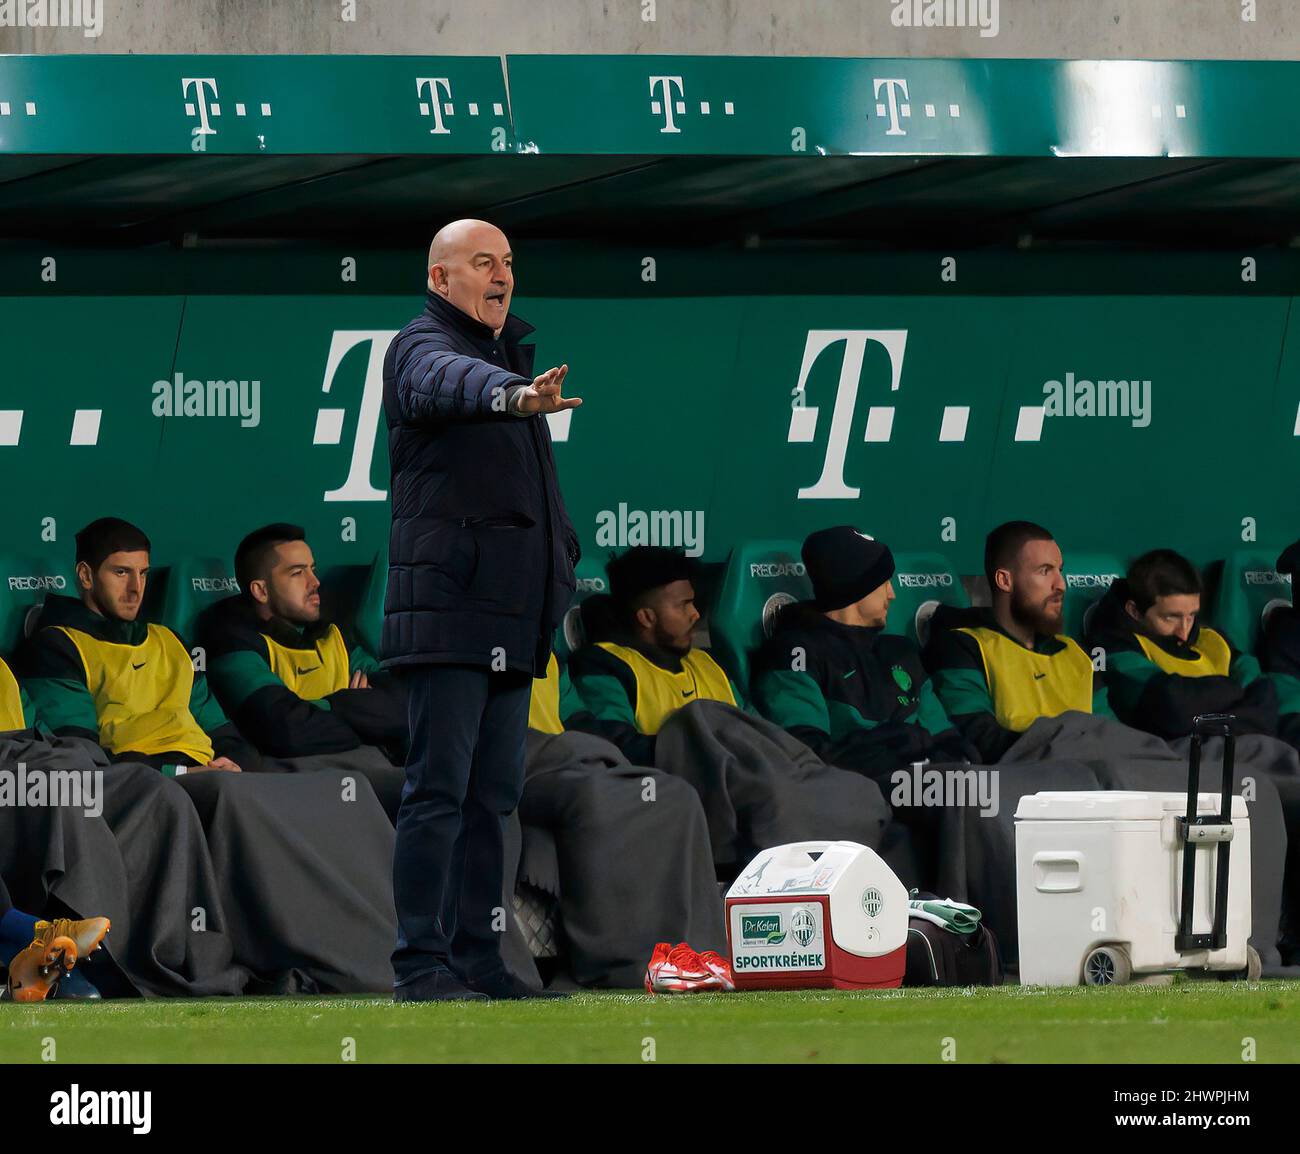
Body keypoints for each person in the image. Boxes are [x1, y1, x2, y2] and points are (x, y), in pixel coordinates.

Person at [20, 517, 400, 994]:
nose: (137, 587)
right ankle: (320, 957)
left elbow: (225, 731)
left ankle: (387, 947)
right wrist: (186, 770)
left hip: (210, 771)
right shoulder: (56, 646)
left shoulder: (170, 642)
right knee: (232, 794)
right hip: (150, 781)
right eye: (121, 573)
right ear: (84, 577)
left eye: (143, 573)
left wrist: (234, 762)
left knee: (326, 791)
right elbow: (81, 755)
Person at [382, 218, 581, 1002]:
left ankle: (479, 959)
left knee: (493, 798)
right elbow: (444, 379)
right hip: (449, 610)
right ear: (440, 279)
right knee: (437, 792)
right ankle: (419, 966)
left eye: (508, 263)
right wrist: (511, 395)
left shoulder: (509, 356)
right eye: (481, 263)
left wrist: (558, 560)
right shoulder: (420, 345)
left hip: (511, 614)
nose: (501, 276)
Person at [569, 546, 897, 880]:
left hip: (755, 774)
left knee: (853, 788)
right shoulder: (606, 665)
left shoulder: (708, 663)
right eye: (683, 605)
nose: (696, 615)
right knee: (770, 790)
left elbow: (759, 734)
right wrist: (701, 745)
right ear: (646, 617)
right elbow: (615, 747)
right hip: (692, 785)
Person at [518, 649, 725, 987]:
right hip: (515, 767)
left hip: (567, 759)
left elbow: (580, 720)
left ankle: (687, 953)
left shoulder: (547, 655)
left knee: (674, 794)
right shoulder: (472, 646)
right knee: (595, 797)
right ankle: (620, 962)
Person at [201, 523, 408, 820]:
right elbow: (284, 730)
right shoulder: (232, 642)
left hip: (359, 766)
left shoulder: (330, 634)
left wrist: (324, 709)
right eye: (297, 573)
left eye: (313, 568)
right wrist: (353, 704)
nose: (315, 582)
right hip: (293, 779)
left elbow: (406, 702)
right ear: (260, 590)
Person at [752, 526, 974, 778]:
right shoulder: (794, 654)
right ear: (855, 587)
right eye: (884, 583)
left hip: (926, 793)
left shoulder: (900, 651)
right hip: (852, 798)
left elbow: (946, 737)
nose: (893, 594)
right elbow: (805, 754)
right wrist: (897, 749)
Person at [925, 520, 1114, 763]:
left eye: (1060, 570)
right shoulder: (962, 646)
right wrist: (1068, 749)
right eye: (1045, 571)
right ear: (1005, 580)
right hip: (1019, 787)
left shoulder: (1075, 653)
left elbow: (1111, 736)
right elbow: (979, 739)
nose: (1061, 585)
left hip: (1097, 785)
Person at [1085, 548, 1279, 739]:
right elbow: (1174, 706)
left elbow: (1264, 697)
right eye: (1171, 617)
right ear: (1135, 611)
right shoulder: (1114, 648)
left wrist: (1204, 707)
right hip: (1168, 759)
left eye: (1192, 615)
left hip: (1235, 750)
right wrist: (1237, 693)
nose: (1184, 632)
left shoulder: (1211, 639)